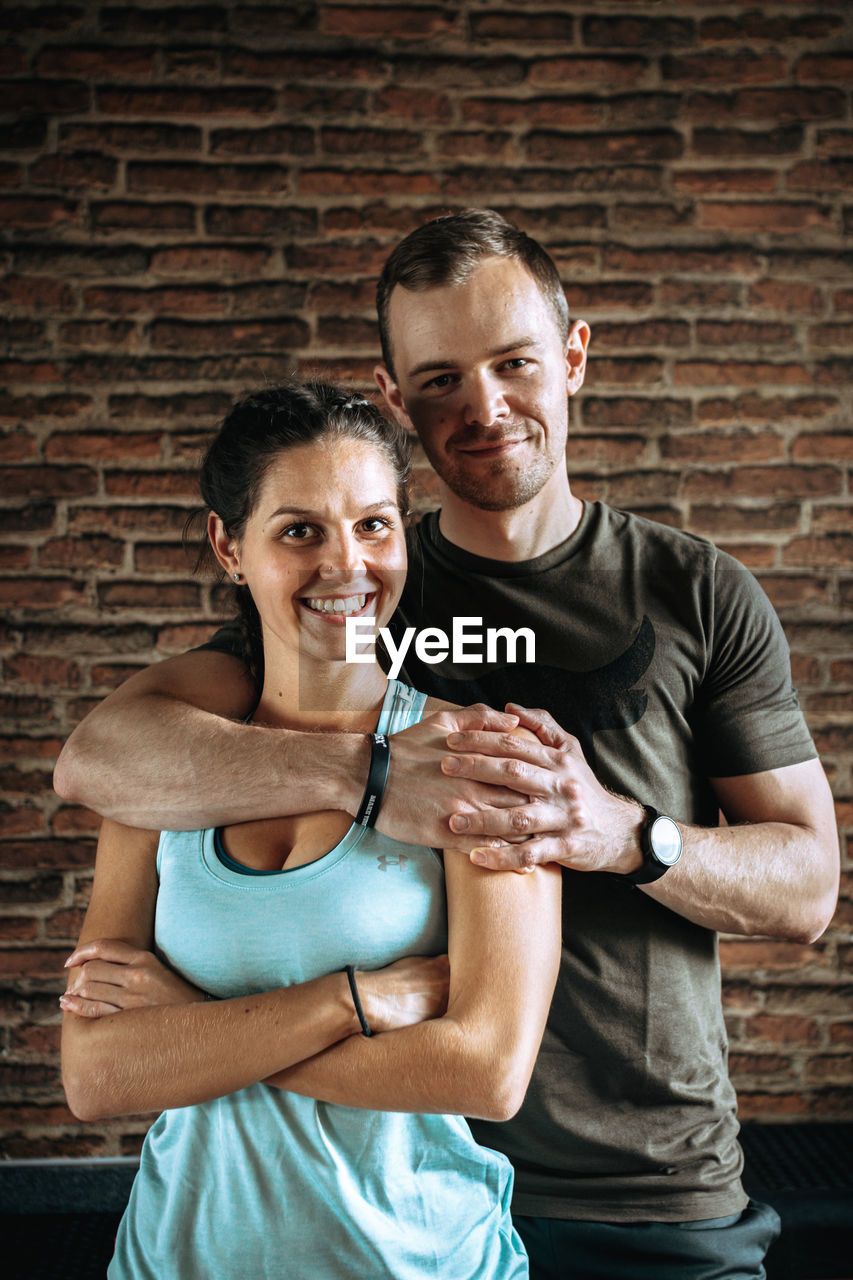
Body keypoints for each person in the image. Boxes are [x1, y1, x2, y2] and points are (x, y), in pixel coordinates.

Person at [55, 210, 839, 1280]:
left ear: (571, 357)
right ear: (394, 396)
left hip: (641, 1178)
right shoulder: (351, 587)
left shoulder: (692, 591)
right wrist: (372, 775)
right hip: (406, 1171)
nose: (482, 406)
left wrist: (621, 833)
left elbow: (805, 890)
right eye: (438, 380)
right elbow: (104, 756)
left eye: (513, 362)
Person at [60, 381, 562, 1280]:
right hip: (178, 1259)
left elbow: (485, 1072)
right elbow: (98, 1075)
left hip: (423, 1263)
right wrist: (352, 1004)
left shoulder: (481, 760)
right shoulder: (160, 777)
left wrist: (193, 1035)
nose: (347, 566)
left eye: (373, 525)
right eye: (300, 531)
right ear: (229, 547)